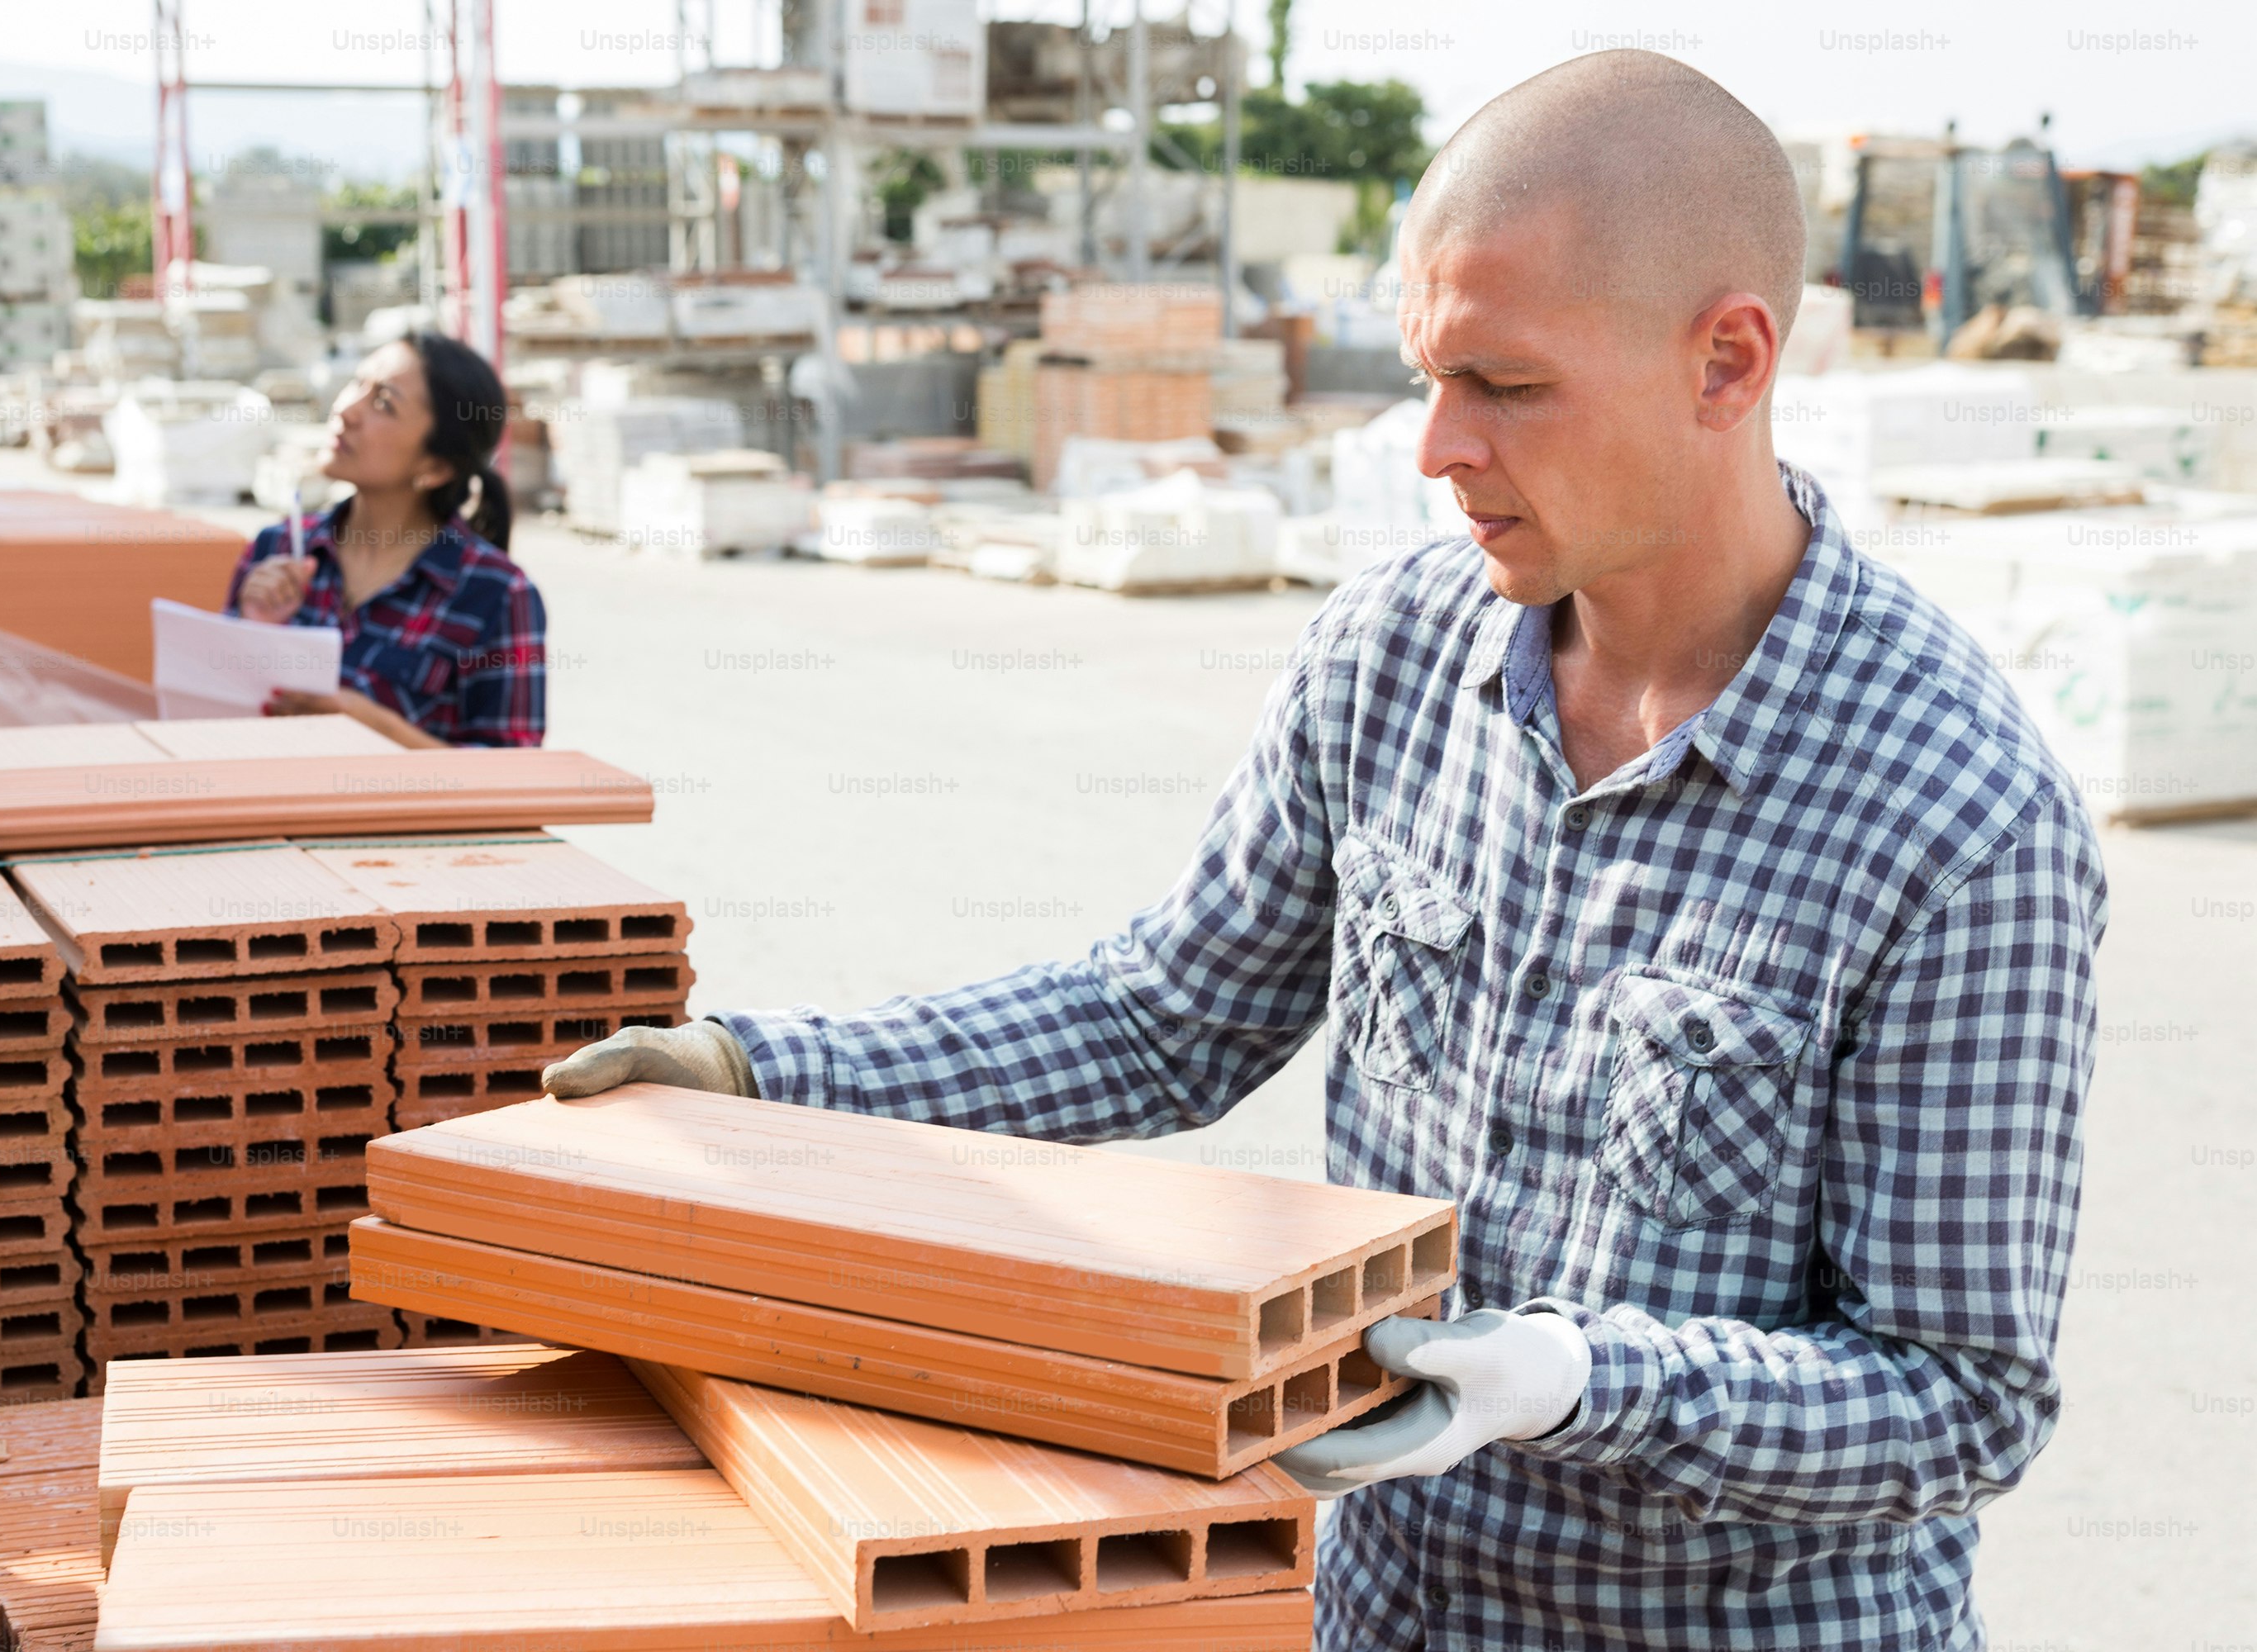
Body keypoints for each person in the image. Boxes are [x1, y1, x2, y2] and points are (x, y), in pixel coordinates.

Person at [543, 50, 2104, 1652]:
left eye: (1504, 386)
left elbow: (1957, 1398)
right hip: (1389, 1608)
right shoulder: (1392, 659)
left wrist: (1575, 1380)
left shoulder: (1960, 816)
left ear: (1725, 361)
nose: (1436, 447)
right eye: (1428, 375)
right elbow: (1164, 1014)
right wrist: (759, 1075)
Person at [226, 330, 545, 748]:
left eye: (383, 402)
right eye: (357, 384)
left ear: (435, 468)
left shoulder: (497, 596)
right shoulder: (278, 548)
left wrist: (378, 728)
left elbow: (514, 796)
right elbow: (211, 724)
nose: (346, 410)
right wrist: (253, 629)